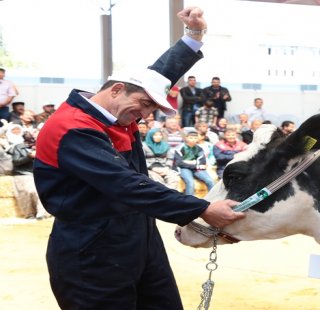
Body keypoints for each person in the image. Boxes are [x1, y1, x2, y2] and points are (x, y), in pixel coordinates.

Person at [33, 7, 245, 309]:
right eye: (144, 105)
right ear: (116, 89)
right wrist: (202, 208)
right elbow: (126, 185)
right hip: (92, 248)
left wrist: (193, 36)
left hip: (139, 236)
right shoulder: (73, 128)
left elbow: (157, 76)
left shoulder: (115, 111)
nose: (145, 116)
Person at [174, 130, 215, 195]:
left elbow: (202, 161)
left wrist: (189, 162)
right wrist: (195, 164)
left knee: (210, 181)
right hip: (184, 168)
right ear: (186, 138)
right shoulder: (180, 148)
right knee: (190, 182)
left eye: (195, 138)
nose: (193, 140)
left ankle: (213, 199)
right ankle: (189, 202)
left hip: (196, 167)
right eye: (191, 138)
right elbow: (179, 163)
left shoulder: (199, 148)